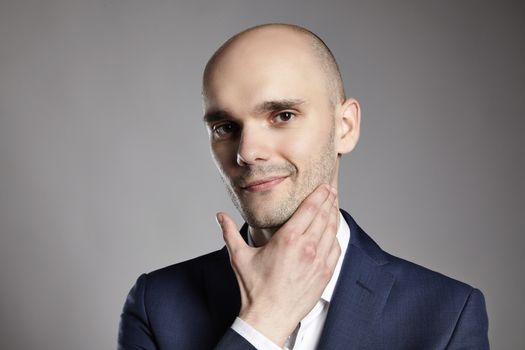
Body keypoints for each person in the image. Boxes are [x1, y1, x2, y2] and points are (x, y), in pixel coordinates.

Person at [118, 23, 489, 350]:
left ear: (345, 127)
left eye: (283, 115)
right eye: (225, 128)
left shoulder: (446, 314)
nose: (247, 152)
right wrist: (263, 322)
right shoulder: (157, 305)